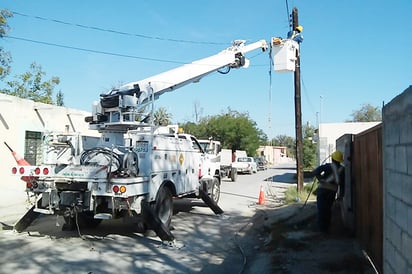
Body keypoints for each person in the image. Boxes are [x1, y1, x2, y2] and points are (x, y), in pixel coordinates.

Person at [311, 150, 345, 233]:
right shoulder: (342, 170)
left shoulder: (327, 166)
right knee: (328, 210)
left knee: (321, 210)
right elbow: (343, 184)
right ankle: (326, 229)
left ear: (332, 159)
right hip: (332, 192)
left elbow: (315, 172)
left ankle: (321, 230)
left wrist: (321, 179)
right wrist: (341, 196)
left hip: (322, 190)